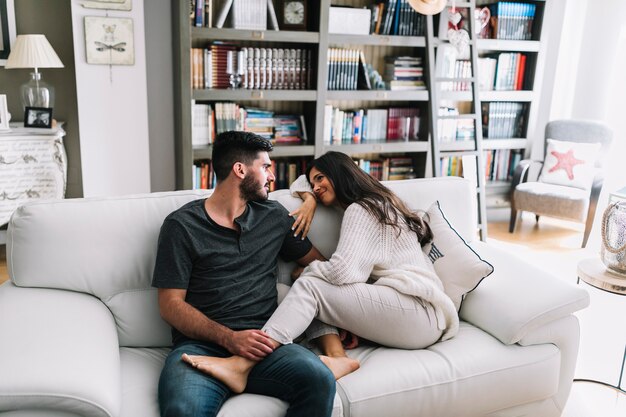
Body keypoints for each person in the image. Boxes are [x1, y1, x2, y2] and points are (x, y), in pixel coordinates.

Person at [182, 151, 459, 394]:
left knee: (309, 284)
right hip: (411, 315)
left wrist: (306, 270)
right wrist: (309, 200)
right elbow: (300, 183)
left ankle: (242, 364)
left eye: (321, 178)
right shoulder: (377, 202)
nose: (315, 187)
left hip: (418, 312)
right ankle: (338, 357)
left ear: (340, 174)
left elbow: (342, 274)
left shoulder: (362, 209)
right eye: (312, 181)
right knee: (294, 292)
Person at [152, 131, 336, 417]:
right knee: (182, 410)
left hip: (266, 345)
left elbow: (322, 266)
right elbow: (170, 305)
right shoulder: (181, 226)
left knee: (319, 380)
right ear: (240, 170)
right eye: (266, 167)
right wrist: (229, 339)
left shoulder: (274, 217)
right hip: (202, 348)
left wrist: (338, 319)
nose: (272, 177)